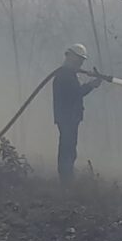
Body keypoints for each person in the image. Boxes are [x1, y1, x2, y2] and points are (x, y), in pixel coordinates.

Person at [52, 44, 102, 184]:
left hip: (69, 118)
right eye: (79, 60)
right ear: (72, 58)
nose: (80, 63)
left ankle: (67, 178)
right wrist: (92, 85)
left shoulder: (67, 74)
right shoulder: (65, 75)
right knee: (67, 149)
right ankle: (66, 180)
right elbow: (76, 93)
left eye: (81, 61)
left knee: (69, 148)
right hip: (67, 118)